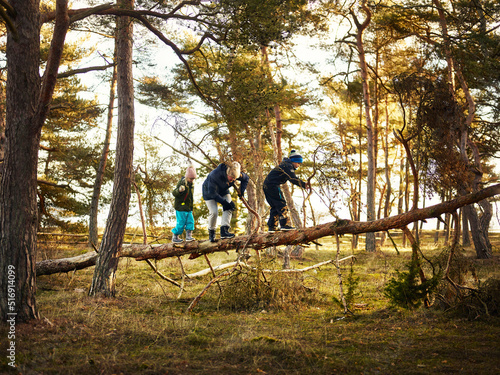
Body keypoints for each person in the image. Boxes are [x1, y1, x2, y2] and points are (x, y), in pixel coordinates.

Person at [263, 150, 309, 232]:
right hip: (273, 186)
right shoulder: (288, 165)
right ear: (294, 161)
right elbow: (293, 179)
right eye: (298, 163)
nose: (298, 166)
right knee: (281, 204)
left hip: (267, 186)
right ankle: (285, 225)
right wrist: (304, 184)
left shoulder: (285, 164)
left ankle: (272, 227)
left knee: (275, 206)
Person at [202, 161, 249, 242]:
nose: (233, 180)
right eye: (232, 178)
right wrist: (224, 203)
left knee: (229, 208)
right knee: (214, 212)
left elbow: (246, 178)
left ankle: (224, 231)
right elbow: (212, 193)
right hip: (209, 192)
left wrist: (241, 192)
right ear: (227, 174)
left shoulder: (235, 173)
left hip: (223, 190)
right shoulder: (214, 175)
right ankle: (211, 232)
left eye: (235, 178)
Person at [171, 165, 197, 243]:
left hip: (188, 208)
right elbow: (174, 193)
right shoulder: (182, 183)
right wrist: (179, 190)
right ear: (187, 177)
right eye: (190, 178)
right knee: (181, 223)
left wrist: (191, 207)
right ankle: (175, 237)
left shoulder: (192, 185)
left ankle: (189, 236)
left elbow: (191, 197)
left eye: (193, 179)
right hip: (181, 207)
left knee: (190, 221)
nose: (191, 180)